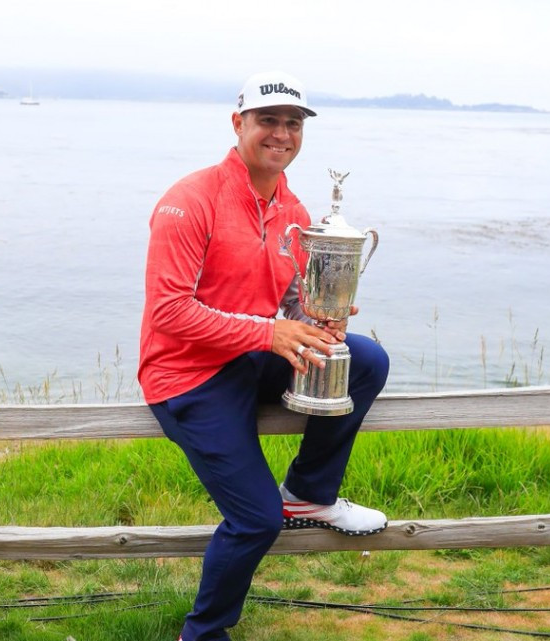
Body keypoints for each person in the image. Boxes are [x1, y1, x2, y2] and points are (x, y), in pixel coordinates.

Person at [138, 70, 390, 641]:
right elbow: (169, 312)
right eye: (267, 120)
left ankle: (308, 494)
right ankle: (203, 633)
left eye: (293, 123)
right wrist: (271, 333)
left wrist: (317, 318)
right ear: (238, 123)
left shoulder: (293, 209)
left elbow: (288, 301)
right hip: (188, 376)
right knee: (255, 519)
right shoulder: (189, 200)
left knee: (364, 359)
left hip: (250, 357)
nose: (281, 133)